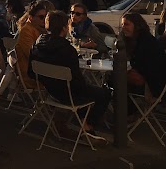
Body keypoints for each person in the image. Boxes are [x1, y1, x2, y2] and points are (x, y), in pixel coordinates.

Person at [29, 10, 110, 141]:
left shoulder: (37, 45)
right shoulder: (67, 50)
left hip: (49, 91)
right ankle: (87, 126)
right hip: (67, 94)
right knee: (104, 93)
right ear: (64, 28)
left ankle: (78, 120)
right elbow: (77, 83)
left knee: (90, 91)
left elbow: (31, 72)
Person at [121, 13, 166, 107]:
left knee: (119, 78)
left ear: (137, 25)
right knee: (116, 76)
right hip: (149, 78)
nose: (123, 27)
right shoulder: (134, 40)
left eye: (126, 24)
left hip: (155, 84)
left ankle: (128, 112)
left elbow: (148, 67)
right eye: (122, 25)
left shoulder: (146, 41)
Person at [15, 0, 52, 89]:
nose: (44, 20)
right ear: (31, 18)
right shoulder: (26, 31)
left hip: (40, 70)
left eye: (45, 17)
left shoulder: (39, 29)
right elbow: (31, 55)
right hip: (32, 74)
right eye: (41, 17)